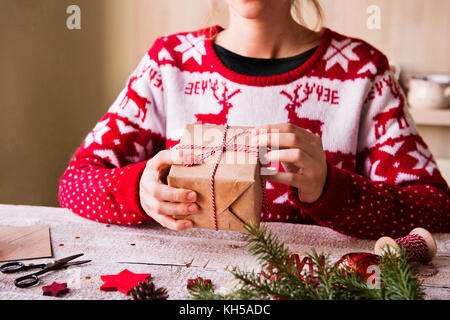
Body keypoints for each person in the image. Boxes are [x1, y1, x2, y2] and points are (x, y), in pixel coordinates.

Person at [59, 0, 449, 239]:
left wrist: (333, 190)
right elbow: (74, 184)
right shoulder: (168, 63)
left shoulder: (362, 72)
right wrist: (138, 191)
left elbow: (435, 208)